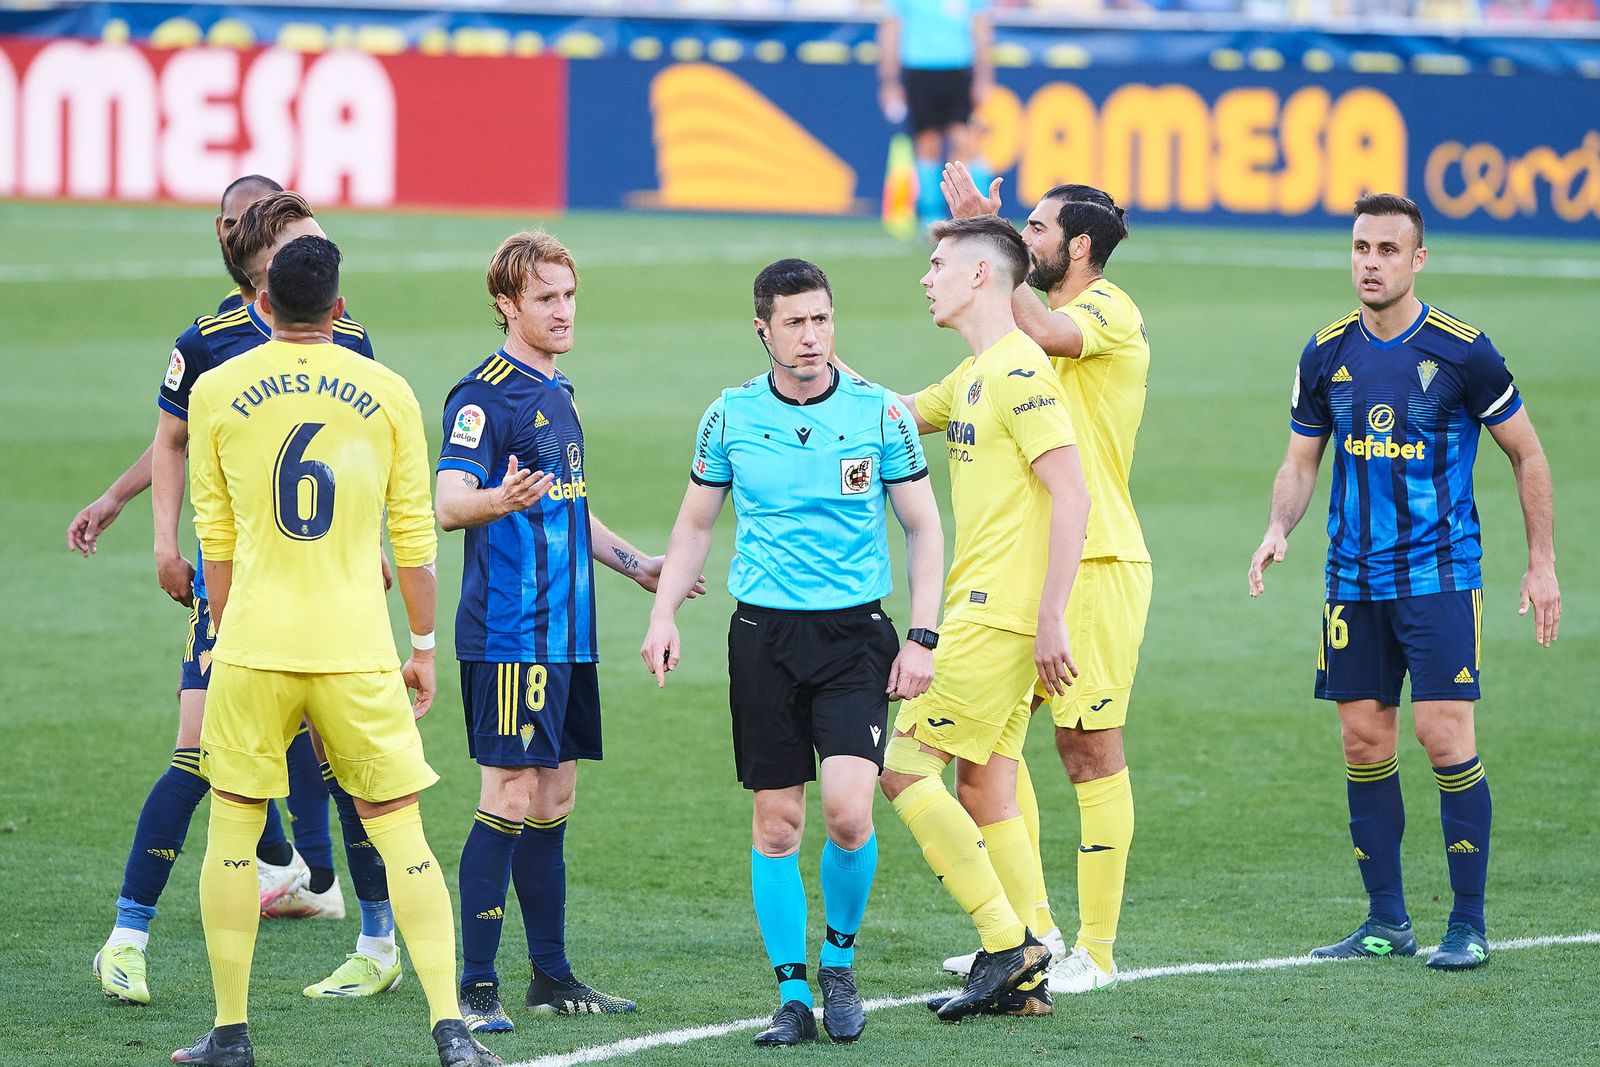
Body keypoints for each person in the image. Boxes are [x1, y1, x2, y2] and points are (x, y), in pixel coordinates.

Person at [173, 234, 499, 1067]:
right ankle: (450, 1029)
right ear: (340, 309)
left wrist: (220, 632)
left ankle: (232, 1033)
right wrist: (422, 647)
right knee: (402, 835)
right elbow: (417, 543)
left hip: (252, 647)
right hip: (357, 649)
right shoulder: (386, 391)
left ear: (263, 307)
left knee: (234, 836)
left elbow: (214, 542)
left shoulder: (217, 389)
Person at [85, 187, 394, 1009]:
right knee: (195, 751)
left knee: (349, 769)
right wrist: (159, 541)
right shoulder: (209, 340)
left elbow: (365, 456)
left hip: (331, 592)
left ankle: (375, 939)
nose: (325, 257)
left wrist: (375, 552)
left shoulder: (353, 336)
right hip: (238, 584)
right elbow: (172, 437)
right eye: (308, 242)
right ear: (265, 258)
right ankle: (127, 937)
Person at [1248, 194, 1560, 971]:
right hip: (1351, 577)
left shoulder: (1463, 351)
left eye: (1388, 250)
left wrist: (1542, 562)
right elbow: (1300, 460)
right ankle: (1386, 920)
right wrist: (1279, 525)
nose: (1370, 263)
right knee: (1363, 739)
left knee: (1443, 734)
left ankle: (1469, 921)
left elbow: (1528, 453)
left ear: (1417, 260)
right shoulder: (1325, 353)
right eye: (1361, 247)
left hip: (1440, 574)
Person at [640, 259, 944, 1046]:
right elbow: (695, 526)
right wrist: (665, 612)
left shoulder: (880, 413)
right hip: (763, 639)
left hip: (854, 639)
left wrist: (920, 635)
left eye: (822, 319)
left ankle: (838, 961)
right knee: (777, 823)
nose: (812, 336)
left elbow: (924, 527)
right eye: (796, 322)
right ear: (763, 330)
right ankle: (793, 993)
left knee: (848, 812)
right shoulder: (729, 416)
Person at [436, 230, 676, 1032]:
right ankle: (473, 988)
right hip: (512, 631)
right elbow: (446, 501)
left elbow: (566, 502)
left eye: (569, 295)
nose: (563, 310)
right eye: (546, 298)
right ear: (507, 304)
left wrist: (635, 562)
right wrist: (494, 500)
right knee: (505, 793)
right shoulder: (483, 397)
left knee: (554, 796)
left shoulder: (557, 389)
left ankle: (551, 975)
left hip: (570, 631)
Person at [932, 166, 1150, 995]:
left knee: (1087, 745)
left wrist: (987, 237)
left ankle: (1096, 949)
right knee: (985, 752)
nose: (1027, 240)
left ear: (1080, 246)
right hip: (1030, 565)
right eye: (1020, 229)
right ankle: (1029, 936)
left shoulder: (1107, 310)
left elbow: (1042, 333)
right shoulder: (1017, 336)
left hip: (1095, 559)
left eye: (1036, 228)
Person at [878, 215, 1090, 1023]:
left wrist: (1051, 618)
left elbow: (1073, 492)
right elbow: (892, 410)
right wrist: (808, 365)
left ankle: (1007, 942)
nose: (926, 277)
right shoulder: (976, 372)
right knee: (987, 786)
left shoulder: (1020, 371)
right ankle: (1028, 968)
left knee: (904, 765)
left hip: (995, 613)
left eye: (937, 264)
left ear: (979, 276)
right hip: (993, 608)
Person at [876, 0, 994, 231]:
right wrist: (889, 81)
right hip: (919, 68)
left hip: (959, 68)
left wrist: (984, 76)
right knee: (927, 142)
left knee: (965, 141)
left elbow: (981, 28)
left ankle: (975, 215)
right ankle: (931, 217)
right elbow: (890, 30)